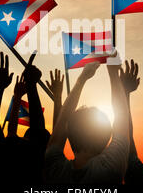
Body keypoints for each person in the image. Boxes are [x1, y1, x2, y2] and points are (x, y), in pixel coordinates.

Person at [44, 52, 130, 184]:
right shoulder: (111, 169)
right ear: (107, 137)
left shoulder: (55, 170)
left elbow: (60, 128)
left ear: (69, 134)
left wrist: (81, 79)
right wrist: (113, 73)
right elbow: (122, 119)